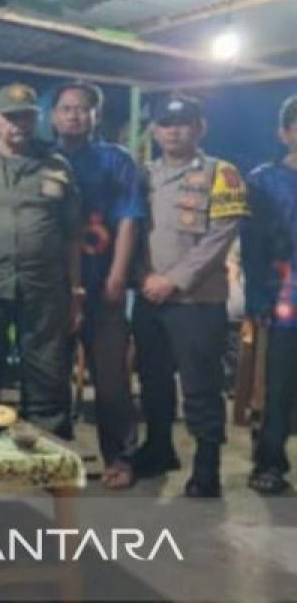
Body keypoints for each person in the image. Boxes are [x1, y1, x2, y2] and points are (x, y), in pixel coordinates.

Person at [0, 83, 83, 439]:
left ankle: (48, 452)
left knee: (48, 375)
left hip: (44, 287)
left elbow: (72, 235)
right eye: (10, 117)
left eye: (26, 117)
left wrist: (75, 291)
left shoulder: (57, 166)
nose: (19, 124)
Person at [133, 93, 248, 498]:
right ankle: (159, 448)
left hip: (197, 301)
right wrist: (142, 276)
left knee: (200, 387)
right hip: (149, 297)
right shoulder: (142, 175)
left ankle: (206, 466)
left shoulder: (222, 173)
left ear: (200, 128)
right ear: (154, 130)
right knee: (153, 381)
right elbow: (130, 232)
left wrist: (174, 280)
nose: (173, 131)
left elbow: (221, 236)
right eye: (165, 124)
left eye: (182, 124)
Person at [51, 82, 143, 489]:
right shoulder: (43, 160)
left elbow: (129, 218)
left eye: (82, 109)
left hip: (103, 284)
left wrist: (118, 275)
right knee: (51, 378)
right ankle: (55, 458)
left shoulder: (115, 160)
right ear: (53, 116)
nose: (74, 115)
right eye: (66, 108)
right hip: (53, 290)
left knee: (111, 380)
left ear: (95, 116)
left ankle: (120, 457)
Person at [243, 95, 297, 495]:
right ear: (284, 133)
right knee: (279, 386)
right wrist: (257, 298)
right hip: (286, 299)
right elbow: (253, 247)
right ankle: (270, 460)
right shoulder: (263, 181)